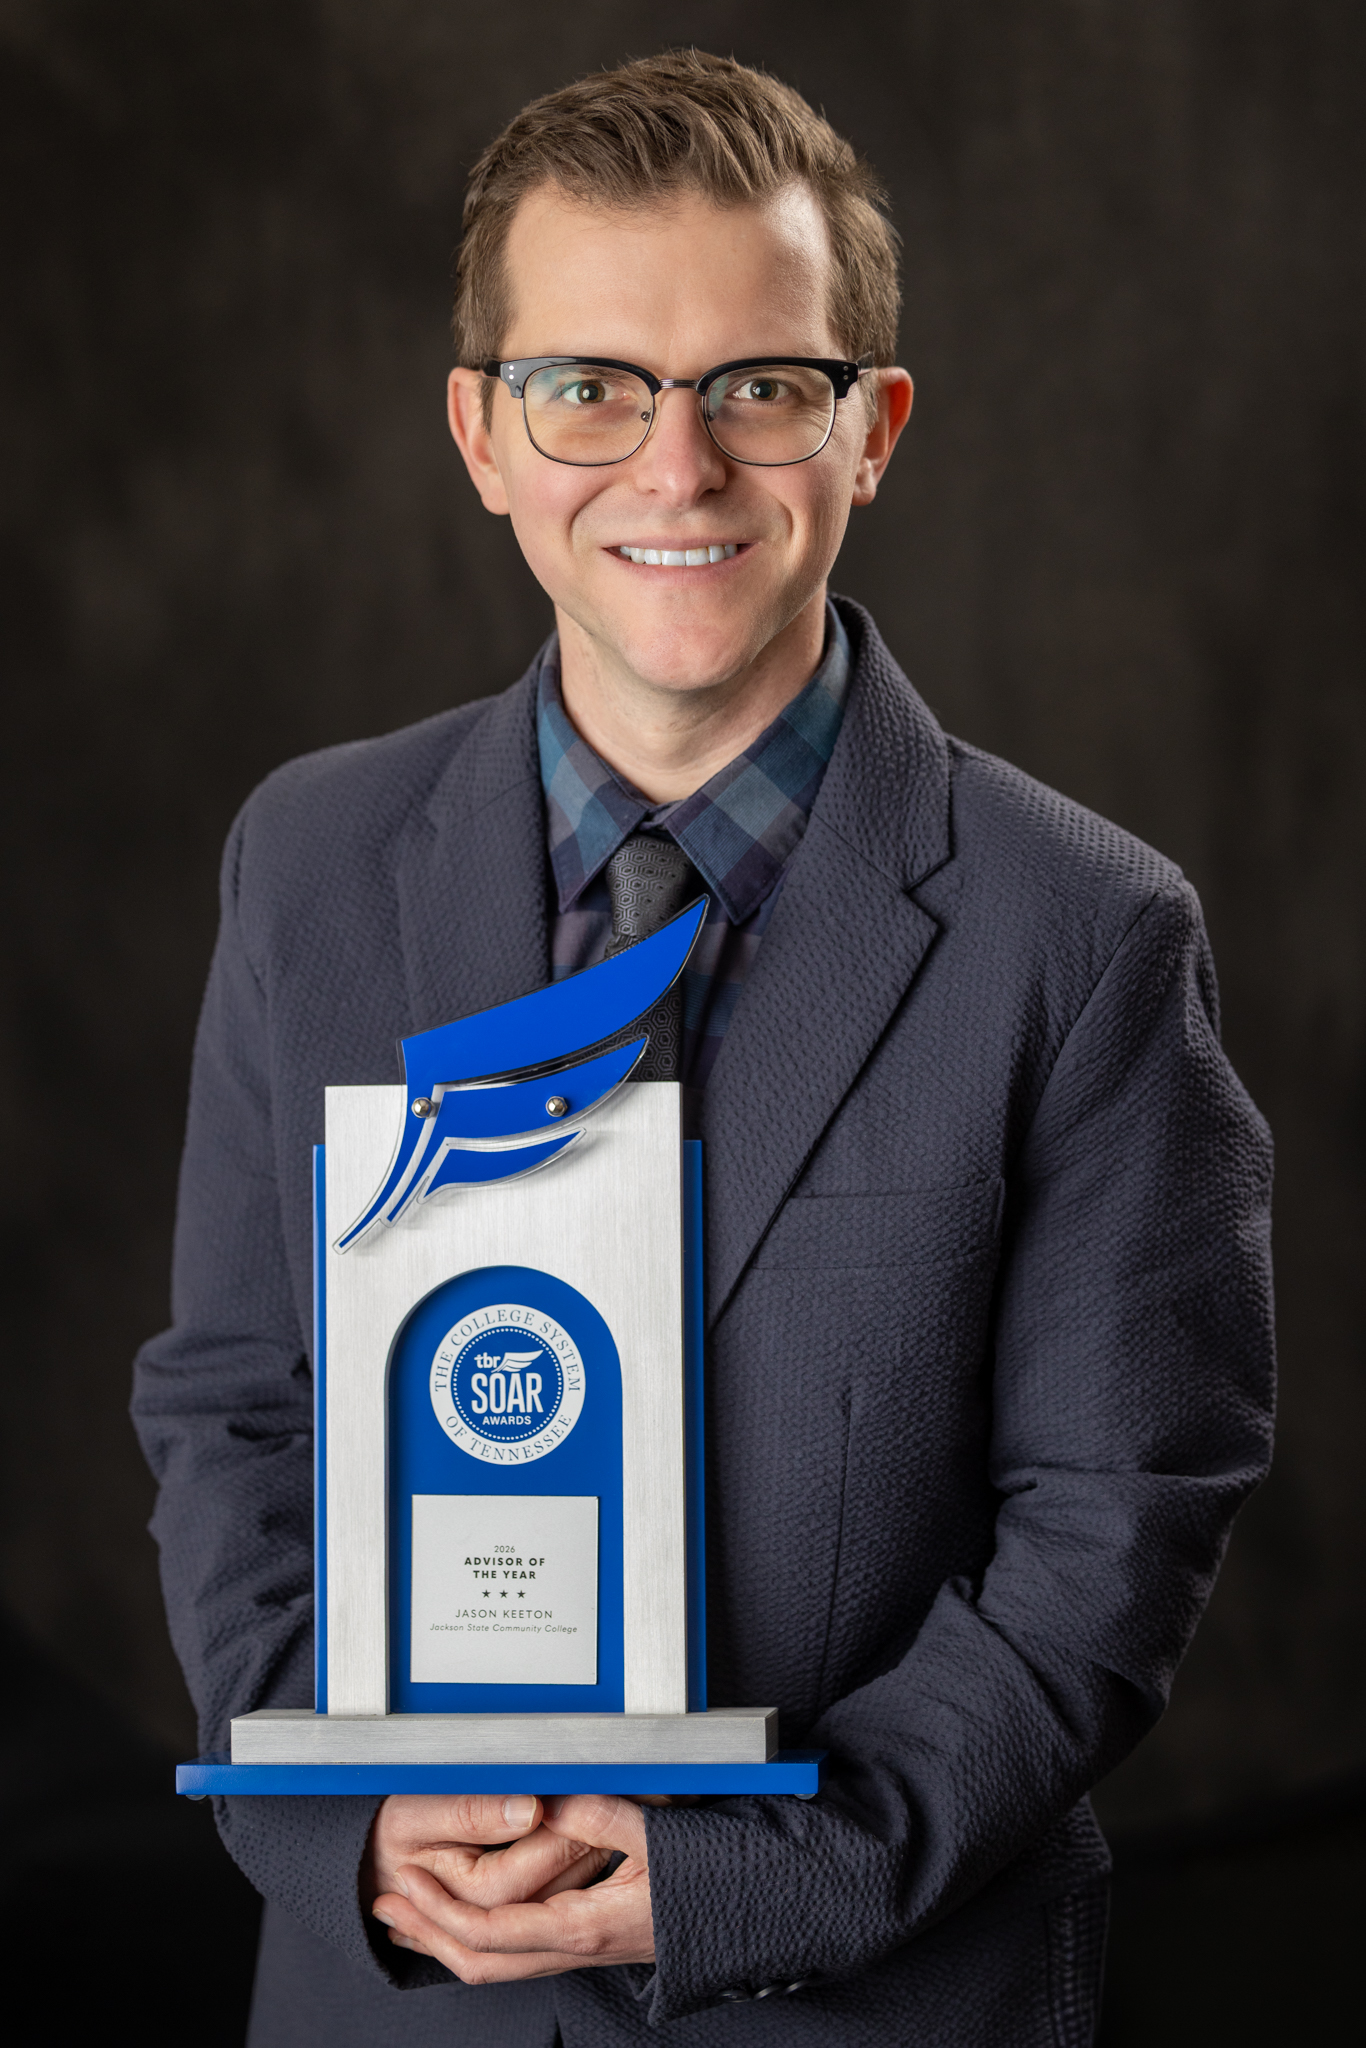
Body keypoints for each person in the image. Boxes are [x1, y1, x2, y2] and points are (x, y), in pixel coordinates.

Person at [132, 49, 1275, 2048]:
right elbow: (233, 1405)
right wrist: (346, 1818)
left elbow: (1109, 1524)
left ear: (872, 433)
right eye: (588, 387)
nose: (675, 471)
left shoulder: (1086, 938)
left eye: (760, 385)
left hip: (872, 1994)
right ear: (483, 435)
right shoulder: (305, 862)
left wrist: (746, 1870)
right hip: (396, 1998)